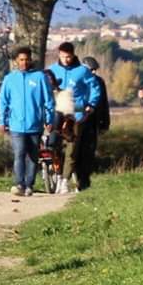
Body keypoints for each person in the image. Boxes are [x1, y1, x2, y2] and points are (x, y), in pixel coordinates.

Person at [0, 47, 53, 196]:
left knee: (33, 156)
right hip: (16, 124)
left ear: (31, 59)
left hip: (35, 124)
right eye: (21, 59)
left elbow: (48, 100)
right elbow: (3, 101)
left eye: (27, 59)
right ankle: (19, 183)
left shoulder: (40, 77)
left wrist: (49, 119)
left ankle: (29, 184)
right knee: (19, 153)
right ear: (16, 61)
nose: (24, 62)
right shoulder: (9, 79)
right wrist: (2, 121)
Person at [48, 41, 95, 190]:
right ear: (59, 55)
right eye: (63, 57)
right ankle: (55, 172)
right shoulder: (52, 70)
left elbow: (95, 88)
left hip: (76, 114)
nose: (66, 60)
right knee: (53, 145)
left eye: (68, 57)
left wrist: (90, 105)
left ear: (73, 55)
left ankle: (64, 180)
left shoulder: (82, 71)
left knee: (72, 150)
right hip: (56, 114)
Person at [79, 55, 111, 189]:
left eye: (94, 70)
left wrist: (105, 123)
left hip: (93, 122)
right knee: (77, 152)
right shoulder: (77, 81)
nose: (93, 73)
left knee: (89, 153)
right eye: (91, 70)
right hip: (78, 120)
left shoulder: (99, 82)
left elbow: (103, 104)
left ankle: (85, 181)